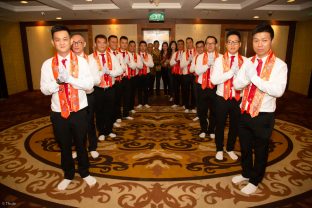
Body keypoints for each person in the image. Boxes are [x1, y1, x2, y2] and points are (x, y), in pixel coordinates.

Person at [232, 23, 288, 195]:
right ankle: (246, 173)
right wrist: (245, 79)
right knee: (245, 147)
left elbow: (278, 91)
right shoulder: (248, 62)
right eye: (256, 40)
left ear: (271, 41)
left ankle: (255, 180)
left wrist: (254, 78)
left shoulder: (279, 65)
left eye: (264, 40)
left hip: (263, 115)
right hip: (244, 111)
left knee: (261, 150)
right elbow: (236, 84)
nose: (259, 44)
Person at [40, 25, 96, 190]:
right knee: (64, 145)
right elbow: (44, 89)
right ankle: (68, 174)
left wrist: (70, 78)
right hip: (58, 111)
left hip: (79, 110)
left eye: (65, 39)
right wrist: (57, 82)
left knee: (81, 143)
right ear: (53, 42)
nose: (62, 43)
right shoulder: (47, 64)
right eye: (58, 40)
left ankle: (85, 172)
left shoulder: (81, 62)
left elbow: (89, 85)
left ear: (71, 41)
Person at [211, 30, 247, 161]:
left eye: (235, 42)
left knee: (235, 125)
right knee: (220, 124)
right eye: (230, 42)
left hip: (238, 98)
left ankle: (230, 148)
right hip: (221, 98)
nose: (232, 45)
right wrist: (231, 72)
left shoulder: (246, 61)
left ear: (240, 44)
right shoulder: (219, 60)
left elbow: (247, 81)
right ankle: (219, 148)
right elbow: (214, 80)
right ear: (225, 44)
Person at [88, 34, 123, 141]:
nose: (102, 45)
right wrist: (99, 73)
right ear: (95, 44)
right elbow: (88, 75)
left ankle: (109, 130)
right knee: (99, 111)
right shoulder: (90, 58)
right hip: (97, 89)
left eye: (104, 42)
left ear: (106, 44)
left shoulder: (112, 56)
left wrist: (110, 72)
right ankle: (102, 131)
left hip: (110, 87)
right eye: (99, 42)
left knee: (110, 110)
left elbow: (120, 70)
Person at [71, 33, 99, 159]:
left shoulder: (91, 59)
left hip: (88, 95)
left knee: (89, 122)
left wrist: (79, 83)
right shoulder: (67, 60)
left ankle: (92, 147)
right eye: (74, 42)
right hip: (71, 96)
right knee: (75, 124)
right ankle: (79, 148)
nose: (76, 45)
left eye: (79, 42)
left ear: (84, 44)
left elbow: (96, 79)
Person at [194, 36, 220, 139]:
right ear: (205, 45)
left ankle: (211, 130)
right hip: (202, 87)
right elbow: (197, 71)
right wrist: (207, 65)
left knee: (214, 110)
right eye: (208, 43)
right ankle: (203, 129)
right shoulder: (200, 57)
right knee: (202, 110)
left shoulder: (221, 57)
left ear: (216, 45)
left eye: (212, 43)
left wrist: (214, 66)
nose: (209, 45)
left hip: (215, 87)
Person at [107, 35, 127, 128]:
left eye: (116, 42)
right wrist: (116, 68)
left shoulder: (118, 54)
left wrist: (115, 68)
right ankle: (110, 120)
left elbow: (123, 68)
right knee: (110, 102)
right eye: (112, 42)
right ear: (108, 43)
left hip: (119, 80)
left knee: (118, 100)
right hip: (109, 81)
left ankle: (117, 116)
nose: (114, 44)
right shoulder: (106, 54)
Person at [118, 36, 136, 120]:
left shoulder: (129, 54)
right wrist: (122, 64)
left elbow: (134, 66)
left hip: (127, 78)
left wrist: (128, 62)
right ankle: (117, 116)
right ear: (119, 43)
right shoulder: (116, 53)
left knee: (127, 97)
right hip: (118, 79)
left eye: (126, 43)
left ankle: (125, 114)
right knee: (118, 98)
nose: (124, 45)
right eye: (122, 43)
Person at [189, 40, 205, 122]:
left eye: (201, 46)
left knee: (205, 100)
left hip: (206, 82)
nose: (199, 49)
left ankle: (205, 116)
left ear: (204, 47)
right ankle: (199, 115)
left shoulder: (207, 57)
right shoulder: (195, 57)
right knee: (197, 98)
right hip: (196, 81)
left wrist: (198, 70)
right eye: (198, 47)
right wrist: (197, 70)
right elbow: (191, 69)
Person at [180, 37, 196, 113]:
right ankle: (186, 106)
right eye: (187, 42)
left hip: (194, 74)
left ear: (192, 43)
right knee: (185, 91)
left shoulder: (197, 52)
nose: (188, 44)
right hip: (186, 74)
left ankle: (193, 107)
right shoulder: (183, 54)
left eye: (190, 42)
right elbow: (181, 65)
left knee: (194, 91)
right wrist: (189, 61)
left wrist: (193, 60)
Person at [137, 41, 154, 108]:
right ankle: (140, 103)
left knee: (146, 89)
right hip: (138, 74)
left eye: (144, 46)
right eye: (141, 46)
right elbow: (136, 65)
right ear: (139, 47)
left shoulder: (149, 55)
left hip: (147, 74)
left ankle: (146, 102)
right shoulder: (137, 55)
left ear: (146, 47)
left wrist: (144, 61)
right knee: (139, 89)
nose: (143, 47)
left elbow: (152, 65)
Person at [128, 40, 143, 112]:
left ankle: (131, 107)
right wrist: (135, 63)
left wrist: (133, 63)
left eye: (134, 46)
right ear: (128, 46)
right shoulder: (126, 54)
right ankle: (127, 108)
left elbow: (140, 66)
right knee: (127, 94)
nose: (133, 47)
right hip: (127, 77)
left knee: (133, 93)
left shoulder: (137, 55)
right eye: (131, 46)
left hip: (135, 76)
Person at [170, 39, 185, 108]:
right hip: (175, 74)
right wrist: (176, 60)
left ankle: (184, 104)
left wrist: (182, 60)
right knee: (176, 89)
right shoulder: (175, 53)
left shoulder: (186, 53)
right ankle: (176, 103)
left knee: (184, 89)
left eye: (181, 44)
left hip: (183, 73)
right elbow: (171, 63)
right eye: (178, 44)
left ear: (183, 45)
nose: (180, 45)